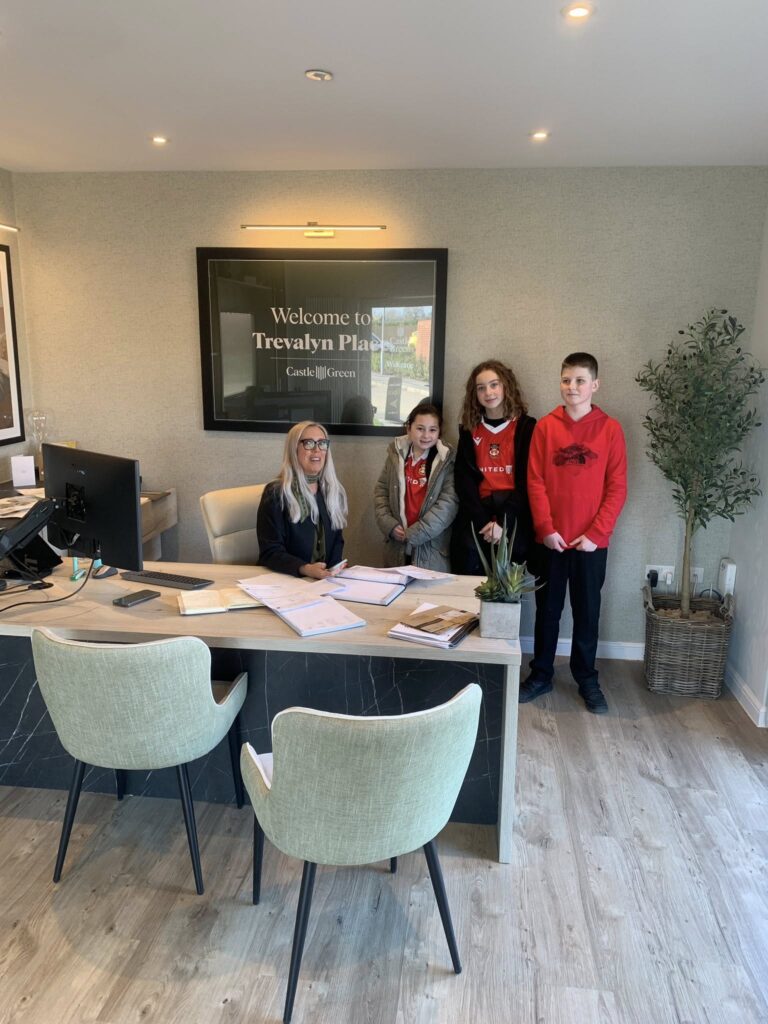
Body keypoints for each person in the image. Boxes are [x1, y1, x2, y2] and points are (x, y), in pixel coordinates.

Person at [522, 353, 627, 714]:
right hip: (551, 541)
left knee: (587, 613)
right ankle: (541, 674)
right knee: (547, 612)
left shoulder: (610, 429)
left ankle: (586, 678)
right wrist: (546, 529)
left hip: (590, 544)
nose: (572, 387)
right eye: (566, 380)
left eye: (580, 380)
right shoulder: (546, 427)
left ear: (595, 385)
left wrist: (597, 533)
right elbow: (534, 481)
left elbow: (617, 487)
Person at [451, 360, 536, 573]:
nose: (488, 392)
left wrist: (504, 523)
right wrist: (483, 522)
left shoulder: (526, 427)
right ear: (475, 394)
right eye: (481, 388)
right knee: (470, 578)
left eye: (494, 385)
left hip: (513, 515)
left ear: (506, 386)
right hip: (479, 517)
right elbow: (463, 480)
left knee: (509, 586)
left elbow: (528, 480)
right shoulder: (469, 429)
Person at [373, 402, 458, 571]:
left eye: (432, 430)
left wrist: (416, 533)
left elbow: (448, 503)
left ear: (439, 432)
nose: (426, 435)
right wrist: (389, 525)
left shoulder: (446, 460)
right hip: (396, 545)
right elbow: (381, 492)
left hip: (430, 549)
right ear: (409, 428)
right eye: (420, 429)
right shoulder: (396, 455)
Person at [257, 421, 347, 578]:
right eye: (309, 443)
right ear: (294, 449)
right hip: (286, 579)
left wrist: (333, 573)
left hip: (323, 582)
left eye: (322, 443)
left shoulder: (332, 492)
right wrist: (305, 569)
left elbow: (337, 543)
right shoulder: (276, 493)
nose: (317, 450)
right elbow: (270, 552)